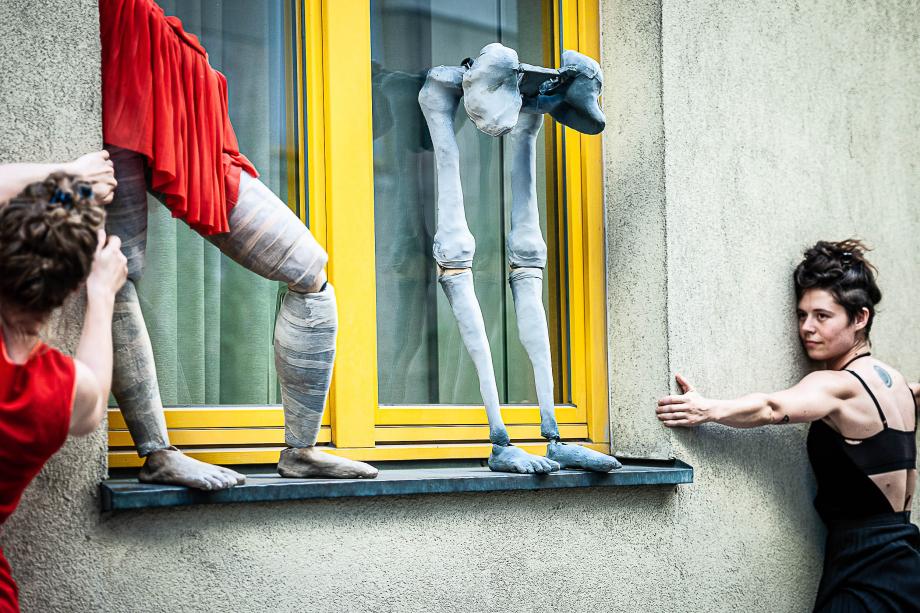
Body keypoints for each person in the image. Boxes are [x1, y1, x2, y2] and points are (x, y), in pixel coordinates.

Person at [98, 0, 377, 488]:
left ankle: (301, 450)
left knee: (310, 267)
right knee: (118, 268)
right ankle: (158, 453)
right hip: (123, 104)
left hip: (189, 131)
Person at [656, 239, 920, 611]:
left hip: (865, 572)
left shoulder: (838, 384)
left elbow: (770, 406)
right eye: (801, 315)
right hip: (906, 565)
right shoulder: (899, 386)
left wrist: (707, 409)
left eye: (822, 316)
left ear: (860, 318)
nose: (807, 328)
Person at [0, 171, 127, 613]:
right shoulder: (61, 390)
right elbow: (93, 398)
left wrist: (71, 175)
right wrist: (103, 293)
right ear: (71, 287)